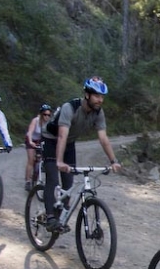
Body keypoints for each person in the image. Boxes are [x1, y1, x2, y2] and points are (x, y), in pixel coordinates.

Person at [41, 77, 121, 231]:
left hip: (69, 143)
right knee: (52, 178)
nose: (100, 100)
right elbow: (62, 136)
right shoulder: (70, 107)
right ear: (87, 95)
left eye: (102, 96)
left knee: (69, 184)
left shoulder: (98, 113)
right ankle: (50, 218)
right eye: (97, 96)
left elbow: (103, 138)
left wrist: (113, 161)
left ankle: (59, 217)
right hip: (51, 139)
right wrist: (58, 161)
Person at [24, 104, 52, 191]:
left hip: (40, 140)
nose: (46, 117)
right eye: (45, 114)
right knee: (31, 160)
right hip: (31, 139)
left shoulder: (49, 123)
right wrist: (31, 142)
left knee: (40, 160)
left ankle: (36, 178)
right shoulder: (35, 121)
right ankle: (28, 181)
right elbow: (30, 132)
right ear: (41, 114)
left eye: (48, 115)